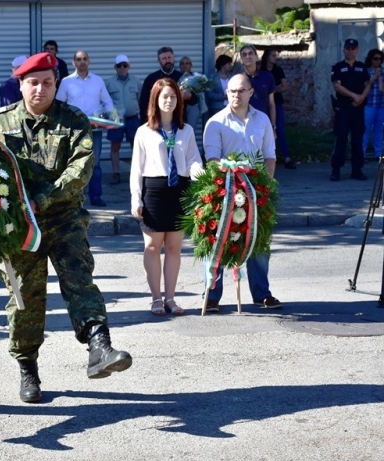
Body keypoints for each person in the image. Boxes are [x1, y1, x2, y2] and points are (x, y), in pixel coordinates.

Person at [0, 52, 133, 404]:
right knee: (25, 299)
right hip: (20, 226)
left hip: (63, 217)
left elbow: (80, 170)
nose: (40, 89)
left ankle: (100, 347)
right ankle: (28, 369)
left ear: (56, 84)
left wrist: (43, 199)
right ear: (20, 85)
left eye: (47, 83)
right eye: (33, 83)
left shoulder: (73, 121)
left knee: (79, 278)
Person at [203, 74, 280, 312]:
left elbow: (269, 157)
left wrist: (263, 186)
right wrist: (231, 183)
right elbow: (213, 161)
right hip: (226, 193)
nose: (236, 95)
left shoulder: (263, 120)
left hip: (256, 192)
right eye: (232, 91)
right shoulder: (215, 122)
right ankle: (211, 295)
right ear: (227, 93)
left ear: (251, 93)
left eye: (241, 90)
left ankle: (261, 294)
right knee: (217, 243)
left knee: (257, 241)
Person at [130, 78, 203, 316]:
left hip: (179, 190)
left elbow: (193, 160)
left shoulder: (187, 130)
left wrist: (199, 176)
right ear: (156, 100)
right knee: (152, 246)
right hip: (154, 190)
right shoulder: (144, 132)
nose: (169, 101)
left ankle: (171, 298)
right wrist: (136, 199)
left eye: (173, 96)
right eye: (164, 97)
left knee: (174, 248)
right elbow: (136, 169)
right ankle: (156, 299)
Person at [56, 50, 115, 207]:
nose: (82, 62)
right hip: (73, 130)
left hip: (94, 130)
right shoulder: (66, 82)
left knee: (95, 163)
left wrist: (113, 117)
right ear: (73, 62)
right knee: (72, 162)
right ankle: (73, 197)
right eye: (78, 59)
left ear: (89, 61)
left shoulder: (98, 81)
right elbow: (59, 105)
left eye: (85, 59)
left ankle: (95, 197)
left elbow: (107, 102)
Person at [331, 38, 372, 182]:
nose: (350, 51)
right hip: (343, 108)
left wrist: (361, 98)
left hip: (358, 110)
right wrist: (354, 96)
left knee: (358, 139)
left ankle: (357, 169)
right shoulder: (338, 67)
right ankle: (336, 169)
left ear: (357, 50)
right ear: (344, 50)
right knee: (340, 138)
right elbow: (337, 86)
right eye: (348, 48)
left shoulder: (362, 67)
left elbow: (368, 84)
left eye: (353, 48)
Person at [105, 54, 141, 184]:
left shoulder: (136, 81)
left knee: (136, 147)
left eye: (124, 65)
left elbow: (140, 99)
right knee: (115, 147)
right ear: (115, 67)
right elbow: (104, 101)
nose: (122, 68)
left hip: (133, 119)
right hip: (116, 120)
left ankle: (137, 175)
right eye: (119, 66)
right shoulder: (108, 83)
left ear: (128, 66)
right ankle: (116, 174)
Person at [139, 47, 197, 125]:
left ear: (173, 58)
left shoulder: (183, 77)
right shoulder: (151, 79)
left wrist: (189, 96)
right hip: (158, 122)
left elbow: (195, 100)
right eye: (164, 58)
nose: (167, 61)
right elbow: (144, 104)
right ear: (159, 61)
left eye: (169, 57)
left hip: (179, 121)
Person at [239, 45, 276, 131]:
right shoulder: (238, 79)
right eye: (244, 55)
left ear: (256, 57)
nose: (248, 56)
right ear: (241, 60)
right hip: (244, 124)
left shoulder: (267, 77)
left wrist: (273, 126)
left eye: (250, 53)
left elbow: (271, 104)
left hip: (263, 122)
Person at [358, 48, 384, 161]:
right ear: (371, 59)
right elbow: (364, 85)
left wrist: (380, 79)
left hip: (381, 105)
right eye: (376, 58)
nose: (378, 61)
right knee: (366, 130)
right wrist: (374, 77)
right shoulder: (366, 71)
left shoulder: (382, 73)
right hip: (368, 105)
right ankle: (362, 153)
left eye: (380, 59)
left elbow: (382, 89)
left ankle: (378, 153)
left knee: (379, 130)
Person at [178, 56, 205, 130]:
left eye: (187, 63)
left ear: (191, 65)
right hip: (180, 106)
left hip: (193, 106)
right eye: (182, 63)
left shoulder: (196, 77)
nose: (184, 65)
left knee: (191, 129)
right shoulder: (176, 77)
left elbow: (200, 92)